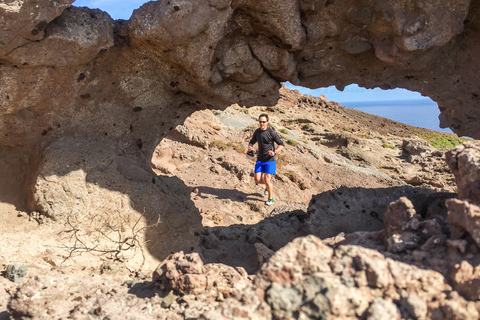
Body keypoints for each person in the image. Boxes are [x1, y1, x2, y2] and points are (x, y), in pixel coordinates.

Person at [247, 113, 285, 206]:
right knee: (257, 180)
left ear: (267, 122)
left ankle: (270, 198)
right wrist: (250, 147)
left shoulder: (271, 132)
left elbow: (281, 144)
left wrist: (275, 152)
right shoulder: (257, 132)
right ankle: (269, 184)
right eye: (260, 122)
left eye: (263, 122)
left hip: (270, 159)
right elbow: (252, 141)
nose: (262, 123)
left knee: (266, 178)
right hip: (260, 159)